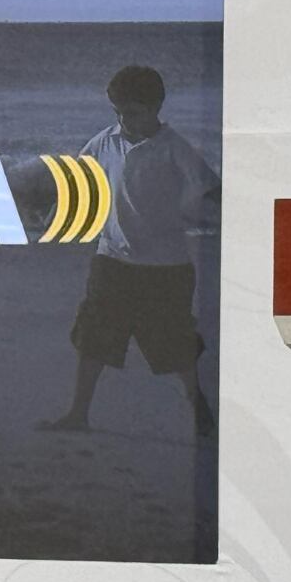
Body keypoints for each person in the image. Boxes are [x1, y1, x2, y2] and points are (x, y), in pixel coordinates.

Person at [39, 65, 220, 437]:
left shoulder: (175, 148)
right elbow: (79, 179)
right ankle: (78, 413)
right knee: (93, 338)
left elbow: (212, 190)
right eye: (118, 112)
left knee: (175, 345)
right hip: (112, 259)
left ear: (155, 108)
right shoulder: (105, 141)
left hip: (164, 267)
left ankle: (198, 406)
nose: (124, 120)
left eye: (133, 112)